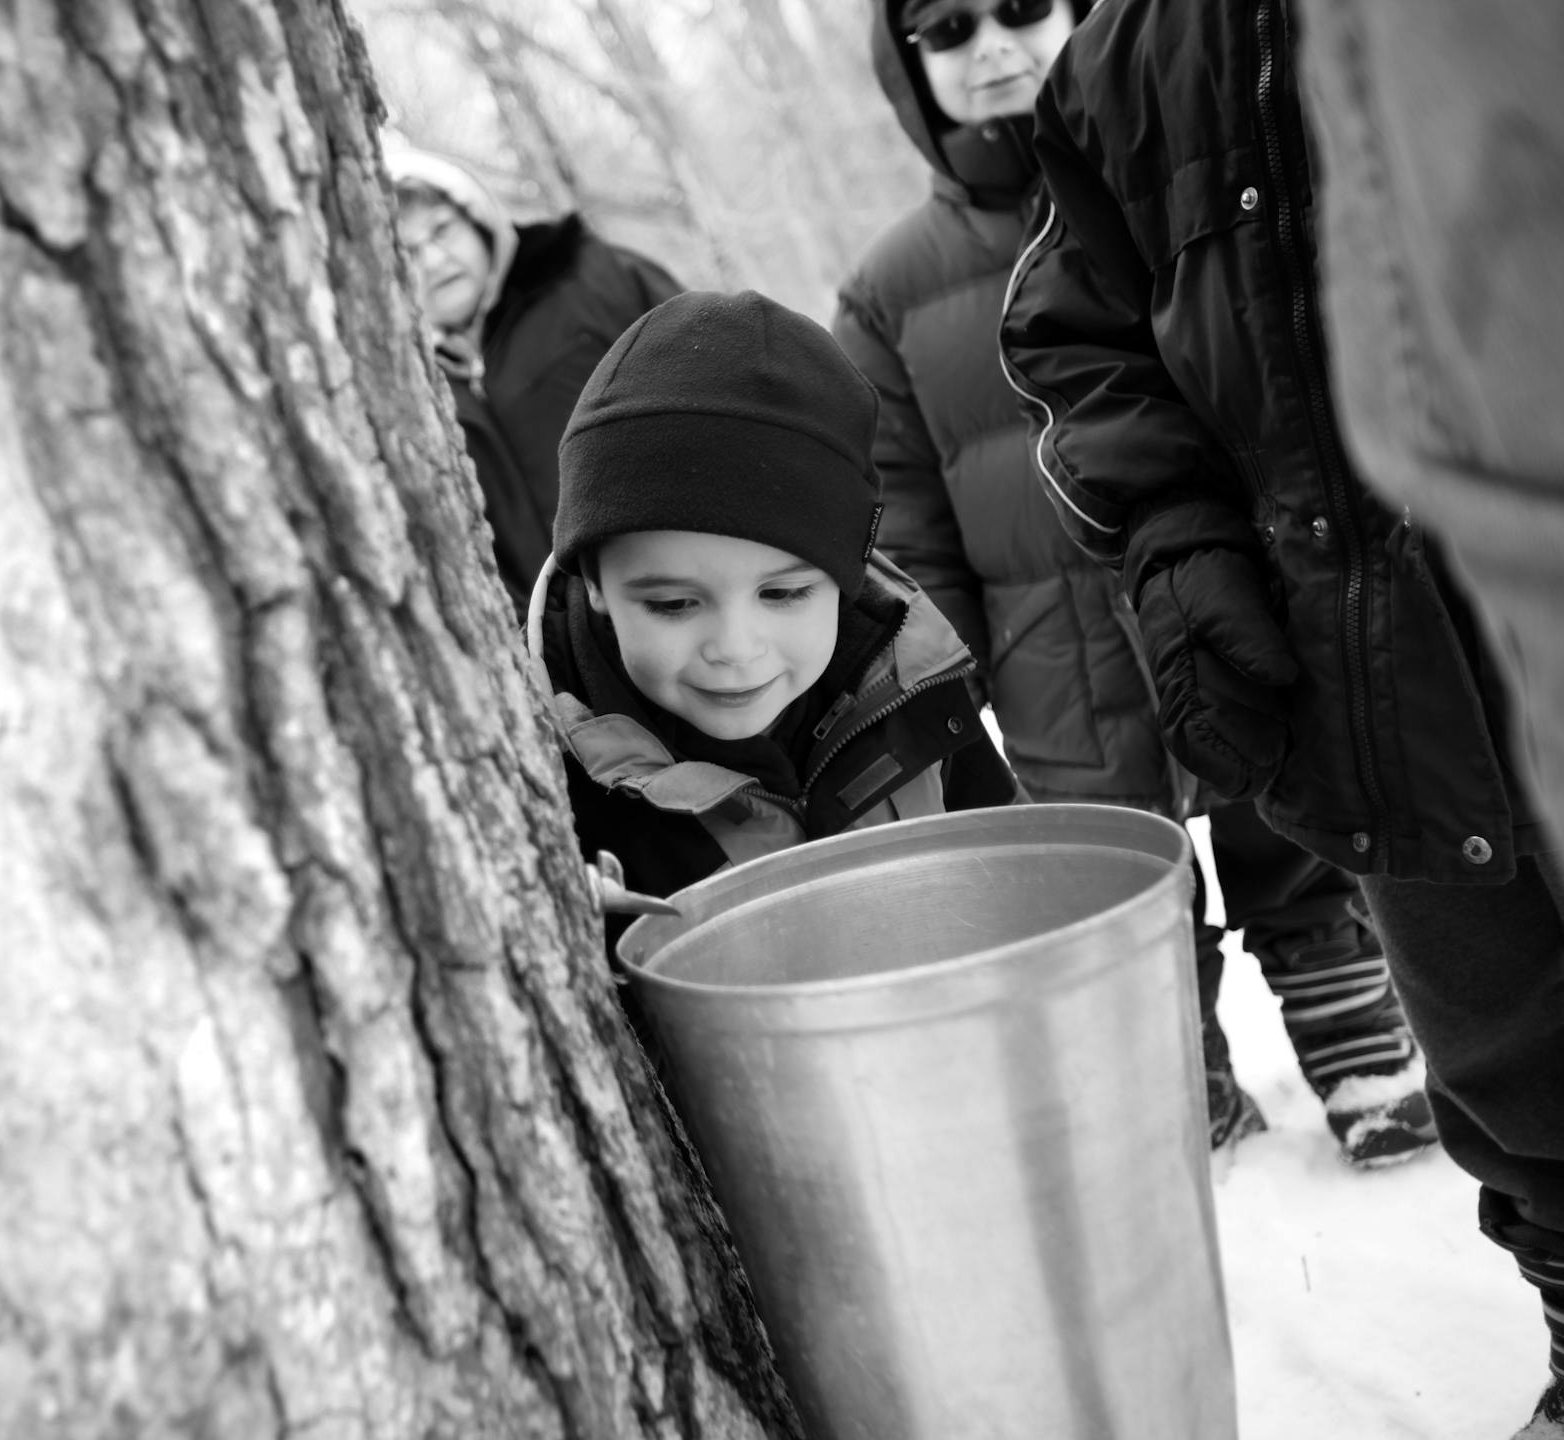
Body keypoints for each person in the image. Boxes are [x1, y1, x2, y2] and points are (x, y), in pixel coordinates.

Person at [998, 0, 1564, 1427]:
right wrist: (1181, 542)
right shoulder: (1126, 65)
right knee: (1507, 1048)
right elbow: (1084, 342)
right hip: (1375, 673)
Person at [829, 0, 1434, 1168]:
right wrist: (938, 683)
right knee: (1120, 883)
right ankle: (1175, 1075)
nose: (992, 47)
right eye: (948, 29)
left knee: (1296, 838)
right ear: (911, 68)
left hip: (1235, 597)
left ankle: (1362, 1049)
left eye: (1017, 8)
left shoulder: (1184, 185)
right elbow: (900, 512)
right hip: (1056, 658)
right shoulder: (888, 290)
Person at [526, 288, 1017, 926]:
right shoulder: (543, 779)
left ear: (845, 576)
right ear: (593, 583)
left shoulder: (914, 688)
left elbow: (1012, 879)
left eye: (782, 593)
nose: (736, 646)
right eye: (674, 603)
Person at [387, 146, 682, 610]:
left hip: (689, 576)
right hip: (565, 647)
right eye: (407, 251)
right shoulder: (409, 383)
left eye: (443, 230)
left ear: (478, 221)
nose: (436, 260)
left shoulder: (591, 276)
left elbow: (719, 369)